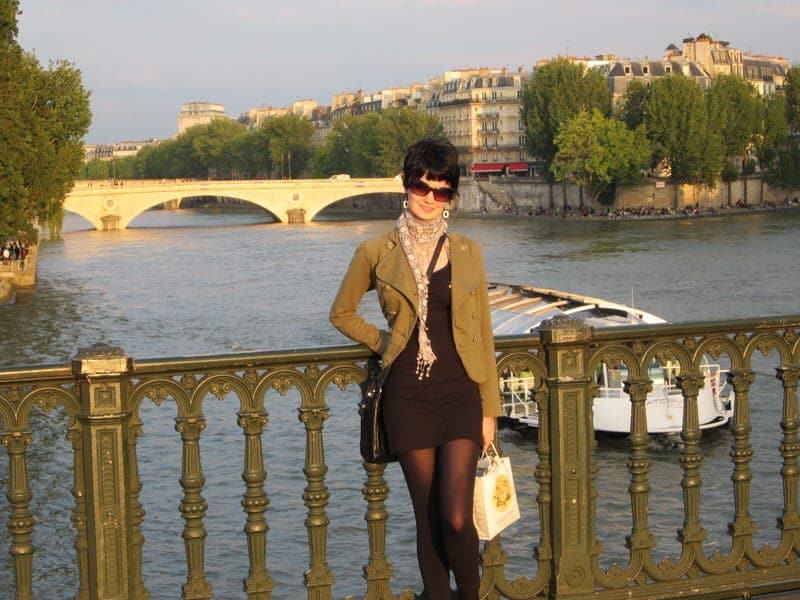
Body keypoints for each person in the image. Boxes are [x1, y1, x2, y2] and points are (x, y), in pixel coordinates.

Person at [329, 139, 502, 600]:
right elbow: (341, 312)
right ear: (405, 186)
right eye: (421, 187)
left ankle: (470, 592)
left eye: (441, 191)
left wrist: (490, 409)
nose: (429, 198)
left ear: (451, 196)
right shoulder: (376, 250)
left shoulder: (467, 251)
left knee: (456, 515)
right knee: (427, 517)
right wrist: (387, 343)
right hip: (406, 396)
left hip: (461, 392)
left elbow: (483, 333)